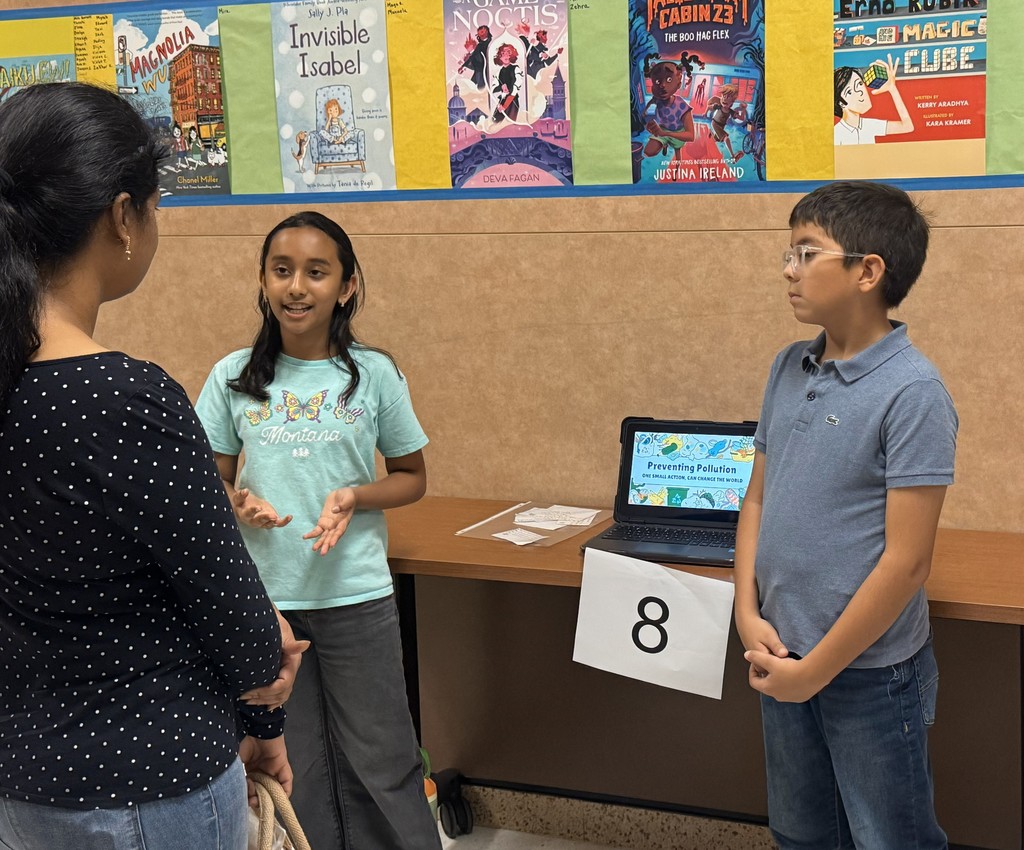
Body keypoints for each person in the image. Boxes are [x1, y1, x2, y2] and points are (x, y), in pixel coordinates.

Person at [0, 82, 302, 850]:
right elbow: (246, 638)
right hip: (144, 783)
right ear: (122, 217)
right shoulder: (123, 396)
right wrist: (265, 699)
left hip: (21, 779)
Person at [195, 211, 440, 850]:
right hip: (265, 604)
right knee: (291, 762)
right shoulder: (230, 377)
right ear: (263, 280)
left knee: (384, 760)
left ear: (347, 286)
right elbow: (208, 485)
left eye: (315, 271)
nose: (296, 287)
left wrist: (355, 496)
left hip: (356, 595)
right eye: (282, 271)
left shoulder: (374, 374)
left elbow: (412, 477)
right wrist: (238, 504)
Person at [734, 181, 958, 849]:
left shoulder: (913, 392)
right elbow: (758, 499)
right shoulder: (789, 366)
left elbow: (907, 560)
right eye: (788, 252)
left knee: (891, 837)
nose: (788, 270)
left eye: (807, 253)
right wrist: (746, 611)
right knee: (803, 834)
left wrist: (818, 669)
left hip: (869, 672)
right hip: (781, 648)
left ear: (868, 271)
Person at [834, 55, 914, 145]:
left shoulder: (868, 125)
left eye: (859, 84)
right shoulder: (836, 134)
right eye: (849, 92)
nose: (860, 91)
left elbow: (907, 126)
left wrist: (892, 89)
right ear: (841, 103)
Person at [641, 54, 696, 160]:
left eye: (669, 80)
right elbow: (651, 102)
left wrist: (665, 133)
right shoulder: (658, 100)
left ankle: (676, 167)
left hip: (678, 133)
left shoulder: (682, 106)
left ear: (678, 84)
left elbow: (691, 136)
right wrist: (646, 113)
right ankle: (664, 144)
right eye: (658, 82)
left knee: (678, 158)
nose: (662, 85)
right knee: (648, 151)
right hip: (662, 130)